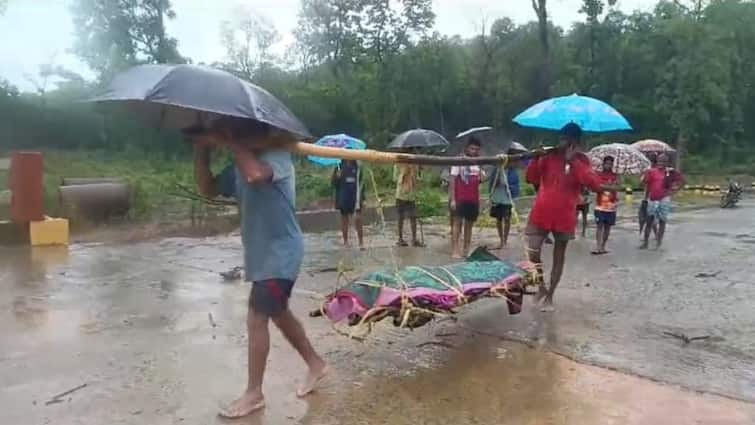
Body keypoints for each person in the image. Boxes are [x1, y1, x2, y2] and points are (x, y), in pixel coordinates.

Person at [190, 120, 327, 419]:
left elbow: (255, 175)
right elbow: (208, 188)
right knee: (278, 313)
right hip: (260, 255)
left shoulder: (276, 157)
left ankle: (254, 393)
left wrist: (230, 142)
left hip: (281, 253)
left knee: (257, 316)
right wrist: (202, 152)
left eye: (238, 132)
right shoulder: (240, 161)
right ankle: (315, 363)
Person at [525, 123, 618, 312]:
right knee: (531, 250)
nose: (565, 142)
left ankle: (550, 295)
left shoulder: (582, 160)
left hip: (565, 214)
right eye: (563, 138)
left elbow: (593, 184)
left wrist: (572, 161)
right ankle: (541, 286)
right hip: (541, 211)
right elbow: (531, 178)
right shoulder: (549, 155)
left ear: (577, 142)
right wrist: (535, 158)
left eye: (569, 139)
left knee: (559, 256)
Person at [449, 138, 485, 258]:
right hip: (460, 198)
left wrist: (482, 175)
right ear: (467, 148)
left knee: (469, 225)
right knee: (457, 223)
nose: (474, 151)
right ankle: (455, 250)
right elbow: (453, 181)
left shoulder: (479, 163)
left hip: (473, 199)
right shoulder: (459, 160)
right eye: (472, 148)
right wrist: (453, 199)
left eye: (476, 149)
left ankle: (466, 249)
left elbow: (481, 181)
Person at [640, 152, 684, 250]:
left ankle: (658, 243)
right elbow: (646, 184)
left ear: (667, 162)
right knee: (649, 221)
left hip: (664, 198)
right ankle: (645, 242)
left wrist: (674, 191)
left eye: (664, 161)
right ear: (657, 161)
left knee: (662, 221)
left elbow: (682, 181)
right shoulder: (651, 171)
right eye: (660, 160)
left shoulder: (671, 172)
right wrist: (645, 198)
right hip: (652, 198)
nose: (661, 162)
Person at [332, 160, 364, 249]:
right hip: (344, 197)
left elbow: (361, 183)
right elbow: (334, 184)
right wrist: (337, 177)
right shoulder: (339, 166)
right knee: (344, 220)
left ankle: (361, 242)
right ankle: (346, 242)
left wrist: (362, 199)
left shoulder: (358, 167)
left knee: (358, 219)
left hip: (355, 197)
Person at [592, 156, 620, 255]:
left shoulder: (616, 176)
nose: (608, 165)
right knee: (599, 226)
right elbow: (596, 186)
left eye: (610, 164)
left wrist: (608, 186)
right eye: (607, 163)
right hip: (600, 205)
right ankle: (598, 246)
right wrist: (610, 186)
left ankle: (603, 246)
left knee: (608, 227)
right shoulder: (598, 174)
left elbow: (617, 188)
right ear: (603, 164)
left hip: (611, 206)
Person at [488, 163, 520, 249]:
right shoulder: (496, 170)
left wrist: (509, 186)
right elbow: (492, 183)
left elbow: (515, 185)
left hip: (507, 198)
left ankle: (505, 239)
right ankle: (501, 239)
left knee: (507, 218)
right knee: (499, 219)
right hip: (497, 197)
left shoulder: (512, 172)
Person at [394, 161, 424, 247]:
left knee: (413, 216)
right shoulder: (398, 164)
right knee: (400, 217)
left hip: (411, 194)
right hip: (401, 194)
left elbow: (418, 179)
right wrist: (404, 173)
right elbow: (395, 178)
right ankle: (400, 238)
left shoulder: (415, 164)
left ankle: (414, 239)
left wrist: (419, 171)